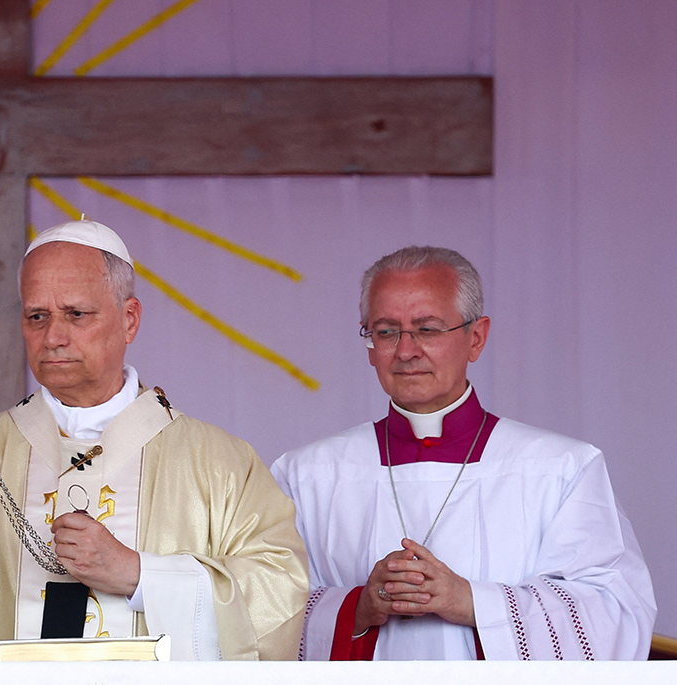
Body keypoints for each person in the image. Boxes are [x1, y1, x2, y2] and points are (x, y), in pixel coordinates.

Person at [0, 219, 308, 661]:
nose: (53, 336)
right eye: (36, 316)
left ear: (130, 319)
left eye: (76, 314)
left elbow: (279, 590)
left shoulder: (220, 463)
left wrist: (140, 575)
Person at [272, 245, 656, 660]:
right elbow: (258, 612)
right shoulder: (306, 474)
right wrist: (358, 608)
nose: (405, 351)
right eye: (385, 331)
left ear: (476, 338)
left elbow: (615, 613)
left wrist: (471, 602)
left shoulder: (561, 469)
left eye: (428, 329)